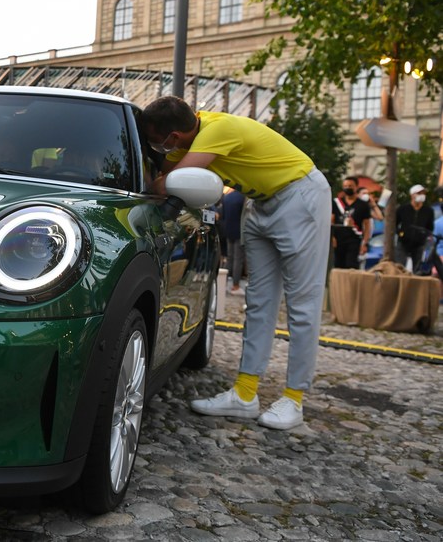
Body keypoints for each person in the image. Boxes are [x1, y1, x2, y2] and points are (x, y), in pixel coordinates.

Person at [138, 95, 331, 430]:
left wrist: (163, 175)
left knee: (303, 304)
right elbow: (166, 179)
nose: (156, 148)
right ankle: (245, 394)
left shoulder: (217, 128)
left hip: (300, 195)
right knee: (258, 302)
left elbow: (164, 182)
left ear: (174, 138)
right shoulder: (191, 138)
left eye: (157, 141)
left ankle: (294, 400)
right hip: (261, 204)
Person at [331, 176, 371, 269]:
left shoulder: (363, 205)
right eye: (345, 186)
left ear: (356, 187)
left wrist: (365, 243)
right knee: (338, 266)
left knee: (351, 266)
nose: (347, 188)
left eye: (350, 186)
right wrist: (332, 237)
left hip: (354, 240)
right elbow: (331, 221)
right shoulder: (336, 202)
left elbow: (367, 226)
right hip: (338, 240)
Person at [395, 184, 436, 273]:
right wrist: (401, 233)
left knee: (418, 269)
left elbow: (430, 228)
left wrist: (425, 237)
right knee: (399, 267)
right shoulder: (403, 209)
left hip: (419, 244)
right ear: (412, 195)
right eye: (419, 193)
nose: (421, 195)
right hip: (403, 242)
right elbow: (395, 224)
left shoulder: (428, 211)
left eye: (423, 193)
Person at [222, 188, 246, 293]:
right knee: (238, 259)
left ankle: (224, 283)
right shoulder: (243, 199)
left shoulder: (227, 197)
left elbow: (223, 215)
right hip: (239, 232)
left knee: (230, 258)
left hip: (228, 231)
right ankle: (235, 285)